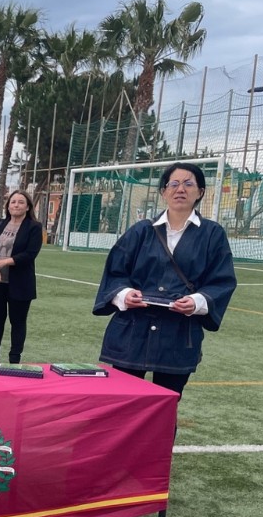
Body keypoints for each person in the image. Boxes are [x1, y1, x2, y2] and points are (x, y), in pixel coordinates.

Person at [93, 162, 237, 396]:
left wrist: (197, 302)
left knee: (166, 408)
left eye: (189, 184)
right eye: (174, 183)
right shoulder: (141, 230)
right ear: (163, 192)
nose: (181, 189)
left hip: (179, 335)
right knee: (124, 405)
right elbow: (115, 272)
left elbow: (222, 280)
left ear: (200, 192)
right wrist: (124, 294)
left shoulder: (212, 234)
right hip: (131, 331)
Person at [0, 190, 42, 363]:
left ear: (27, 207)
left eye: (20, 202)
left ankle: (14, 361)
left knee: (18, 322)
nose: (16, 205)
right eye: (13, 202)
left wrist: (2, 263)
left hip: (20, 283)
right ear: (8, 205)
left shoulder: (34, 227)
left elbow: (29, 254)